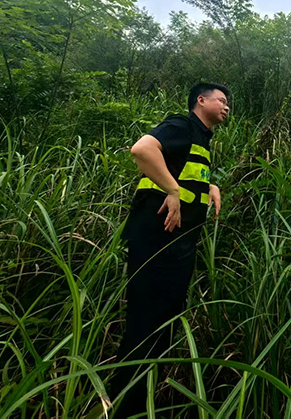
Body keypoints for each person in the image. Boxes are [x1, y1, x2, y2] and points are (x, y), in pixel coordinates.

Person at [110, 82, 230, 417]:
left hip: (178, 244)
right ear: (200, 101)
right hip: (157, 241)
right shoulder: (182, 125)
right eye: (221, 100)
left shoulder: (200, 138)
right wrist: (173, 191)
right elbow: (142, 149)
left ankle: (146, 402)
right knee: (146, 325)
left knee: (164, 324)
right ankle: (126, 406)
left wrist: (209, 184)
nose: (226, 107)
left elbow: (180, 168)